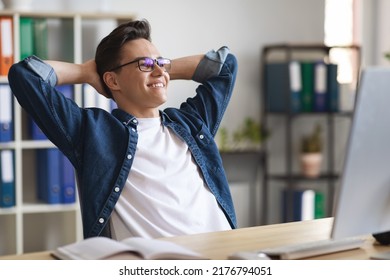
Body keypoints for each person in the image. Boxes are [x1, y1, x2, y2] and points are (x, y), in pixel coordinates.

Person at [8, 19, 238, 240]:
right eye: (144, 64)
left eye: (161, 62)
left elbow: (225, 66)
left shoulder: (192, 122)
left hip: (225, 253)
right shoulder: (93, 132)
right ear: (113, 81)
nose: (158, 70)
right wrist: (86, 72)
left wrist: (162, 69)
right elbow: (25, 75)